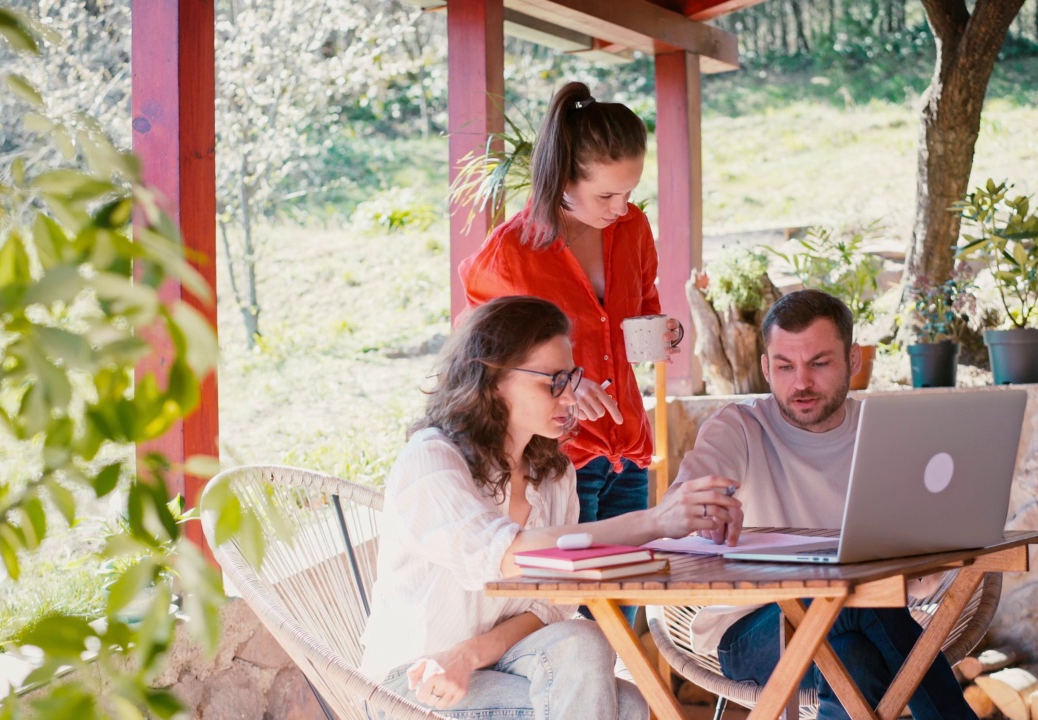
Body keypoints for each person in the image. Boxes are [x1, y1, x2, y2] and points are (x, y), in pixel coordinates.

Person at [359, 296, 740, 719]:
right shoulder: (430, 459)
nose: (571, 396)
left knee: (587, 642)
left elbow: (550, 604)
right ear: (493, 378)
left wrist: (471, 653)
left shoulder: (555, 474)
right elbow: (506, 553)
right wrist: (654, 522)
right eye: (553, 381)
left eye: (572, 378)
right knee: (624, 705)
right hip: (412, 683)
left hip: (489, 663)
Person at [672, 289, 976, 720]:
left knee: (855, 657)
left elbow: (927, 566)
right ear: (765, 367)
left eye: (819, 363)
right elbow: (683, 502)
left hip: (860, 621)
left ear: (853, 360)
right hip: (752, 628)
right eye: (784, 366)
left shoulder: (884, 433)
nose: (801, 383)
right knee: (855, 602)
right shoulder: (739, 426)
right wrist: (702, 508)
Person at [459, 81, 682, 557]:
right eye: (606, 196)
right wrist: (559, 379)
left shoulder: (633, 228)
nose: (621, 208)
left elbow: (642, 307)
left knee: (624, 606)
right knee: (576, 615)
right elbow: (479, 361)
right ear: (563, 180)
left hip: (628, 451)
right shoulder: (510, 254)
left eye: (629, 192)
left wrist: (666, 330)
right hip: (559, 461)